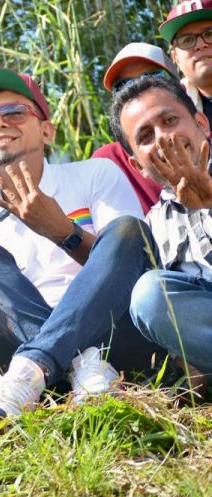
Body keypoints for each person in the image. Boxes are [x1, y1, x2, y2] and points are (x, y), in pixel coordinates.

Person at [0, 68, 161, 423]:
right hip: (39, 365)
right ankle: (73, 367)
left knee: (127, 229)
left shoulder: (95, 174)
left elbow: (131, 259)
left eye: (14, 112)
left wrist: (63, 232)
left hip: (115, 339)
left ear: (47, 131)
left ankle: (36, 367)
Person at [110, 73, 212, 395]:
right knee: (150, 294)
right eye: (145, 136)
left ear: (201, 123)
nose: (163, 138)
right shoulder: (153, 225)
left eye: (170, 120)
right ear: (137, 165)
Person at [93, 42, 179, 213]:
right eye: (125, 86)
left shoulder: (204, 139)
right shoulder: (109, 161)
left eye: (153, 79)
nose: (140, 90)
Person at [160, 0, 212, 123]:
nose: (200, 44)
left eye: (210, 34)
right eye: (187, 40)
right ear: (175, 58)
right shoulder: (170, 115)